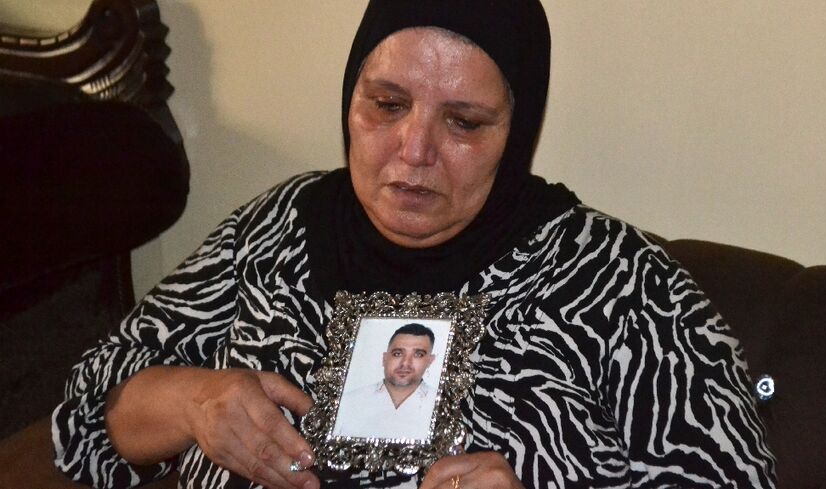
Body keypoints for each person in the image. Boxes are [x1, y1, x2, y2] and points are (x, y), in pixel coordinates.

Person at [52, 1, 777, 488]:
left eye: (463, 122)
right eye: (387, 104)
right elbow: (85, 417)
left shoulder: (620, 284)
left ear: (516, 132)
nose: (414, 149)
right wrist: (190, 400)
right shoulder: (273, 230)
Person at [332, 323, 438, 440]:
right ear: (384, 358)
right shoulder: (347, 402)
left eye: (418, 355)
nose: (405, 363)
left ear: (430, 361)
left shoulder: (441, 405)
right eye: (397, 354)